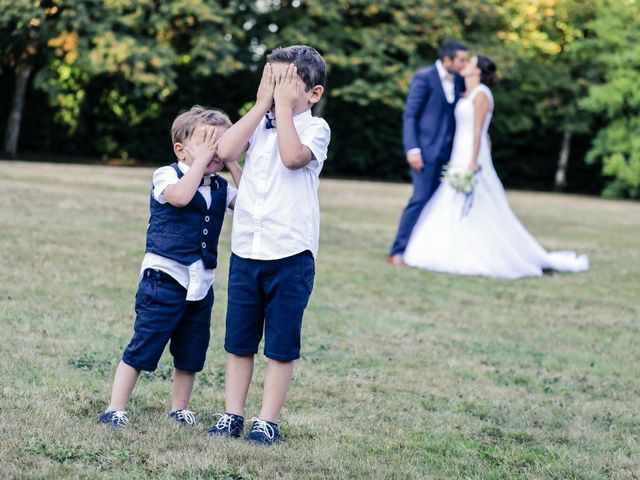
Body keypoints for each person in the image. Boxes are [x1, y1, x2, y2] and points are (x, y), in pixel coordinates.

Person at [206, 45, 330, 445]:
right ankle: (232, 414)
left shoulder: (314, 129)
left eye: (285, 84)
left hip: (290, 254)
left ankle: (267, 420)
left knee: (279, 344)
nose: (276, 91)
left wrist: (282, 107)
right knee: (239, 341)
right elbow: (224, 152)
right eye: (270, 80)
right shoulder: (258, 122)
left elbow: (293, 158)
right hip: (247, 250)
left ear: (313, 94)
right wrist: (263, 104)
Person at [98, 106, 242, 428]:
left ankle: (179, 406)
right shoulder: (167, 174)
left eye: (221, 143)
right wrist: (202, 163)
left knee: (191, 348)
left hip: (200, 281)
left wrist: (230, 160)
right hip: (164, 277)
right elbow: (179, 197)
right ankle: (115, 407)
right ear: (181, 149)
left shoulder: (220, 187)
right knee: (146, 340)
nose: (214, 151)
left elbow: (251, 203)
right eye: (207, 142)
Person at [402, 56, 589, 278]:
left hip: (472, 154)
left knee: (477, 202)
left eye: (470, 63)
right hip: (458, 153)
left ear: (478, 71)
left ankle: (486, 253)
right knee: (451, 201)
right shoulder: (465, 92)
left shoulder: (482, 94)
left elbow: (478, 131)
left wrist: (473, 161)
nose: (465, 65)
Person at [388, 39, 469, 266]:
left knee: (440, 202)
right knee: (420, 199)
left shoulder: (461, 80)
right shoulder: (424, 77)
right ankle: (397, 250)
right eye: (461, 59)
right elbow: (410, 115)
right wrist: (412, 148)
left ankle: (421, 250)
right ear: (447, 59)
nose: (464, 64)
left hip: (451, 154)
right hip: (424, 152)